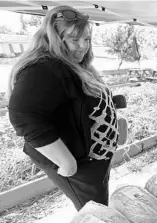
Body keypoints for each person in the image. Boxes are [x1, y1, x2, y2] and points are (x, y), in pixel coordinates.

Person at [7, 6, 119, 211]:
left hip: (95, 160)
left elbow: (77, 101)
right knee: (94, 212)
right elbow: (23, 115)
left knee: (99, 207)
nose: (83, 46)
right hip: (79, 163)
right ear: (55, 39)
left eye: (86, 39)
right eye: (74, 40)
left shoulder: (73, 63)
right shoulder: (43, 67)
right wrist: (66, 162)